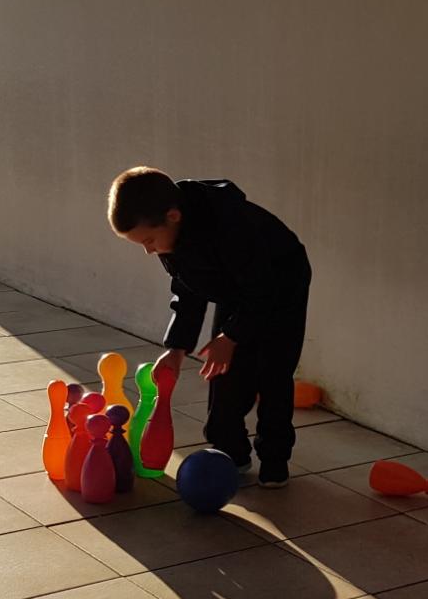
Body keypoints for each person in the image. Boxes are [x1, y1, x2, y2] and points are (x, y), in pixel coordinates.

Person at [108, 167, 312, 487]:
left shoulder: (231, 225)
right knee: (224, 373)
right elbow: (188, 290)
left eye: (148, 240)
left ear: (173, 216)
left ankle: (275, 459)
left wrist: (230, 335)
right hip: (235, 289)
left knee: (272, 371)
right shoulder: (170, 236)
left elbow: (262, 290)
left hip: (281, 285)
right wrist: (176, 348)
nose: (148, 250)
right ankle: (231, 451)